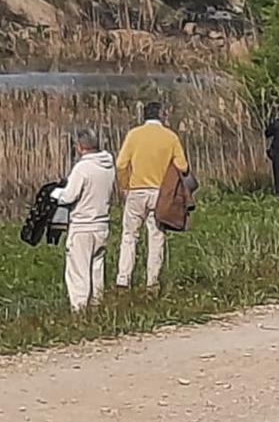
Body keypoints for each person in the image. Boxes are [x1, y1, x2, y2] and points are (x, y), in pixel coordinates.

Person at [115, 101, 188, 291]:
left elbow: (121, 164)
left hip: (136, 190)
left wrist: (125, 186)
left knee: (129, 235)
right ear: (162, 115)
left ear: (144, 116)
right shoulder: (170, 137)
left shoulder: (134, 135)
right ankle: (152, 281)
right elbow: (183, 166)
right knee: (156, 237)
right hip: (160, 192)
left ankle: (123, 279)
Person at [51, 128, 116, 312]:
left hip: (82, 226)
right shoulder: (108, 165)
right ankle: (97, 306)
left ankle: (79, 311)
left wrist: (56, 193)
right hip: (102, 223)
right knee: (97, 268)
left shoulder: (82, 168)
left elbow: (69, 197)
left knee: (78, 272)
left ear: (79, 147)